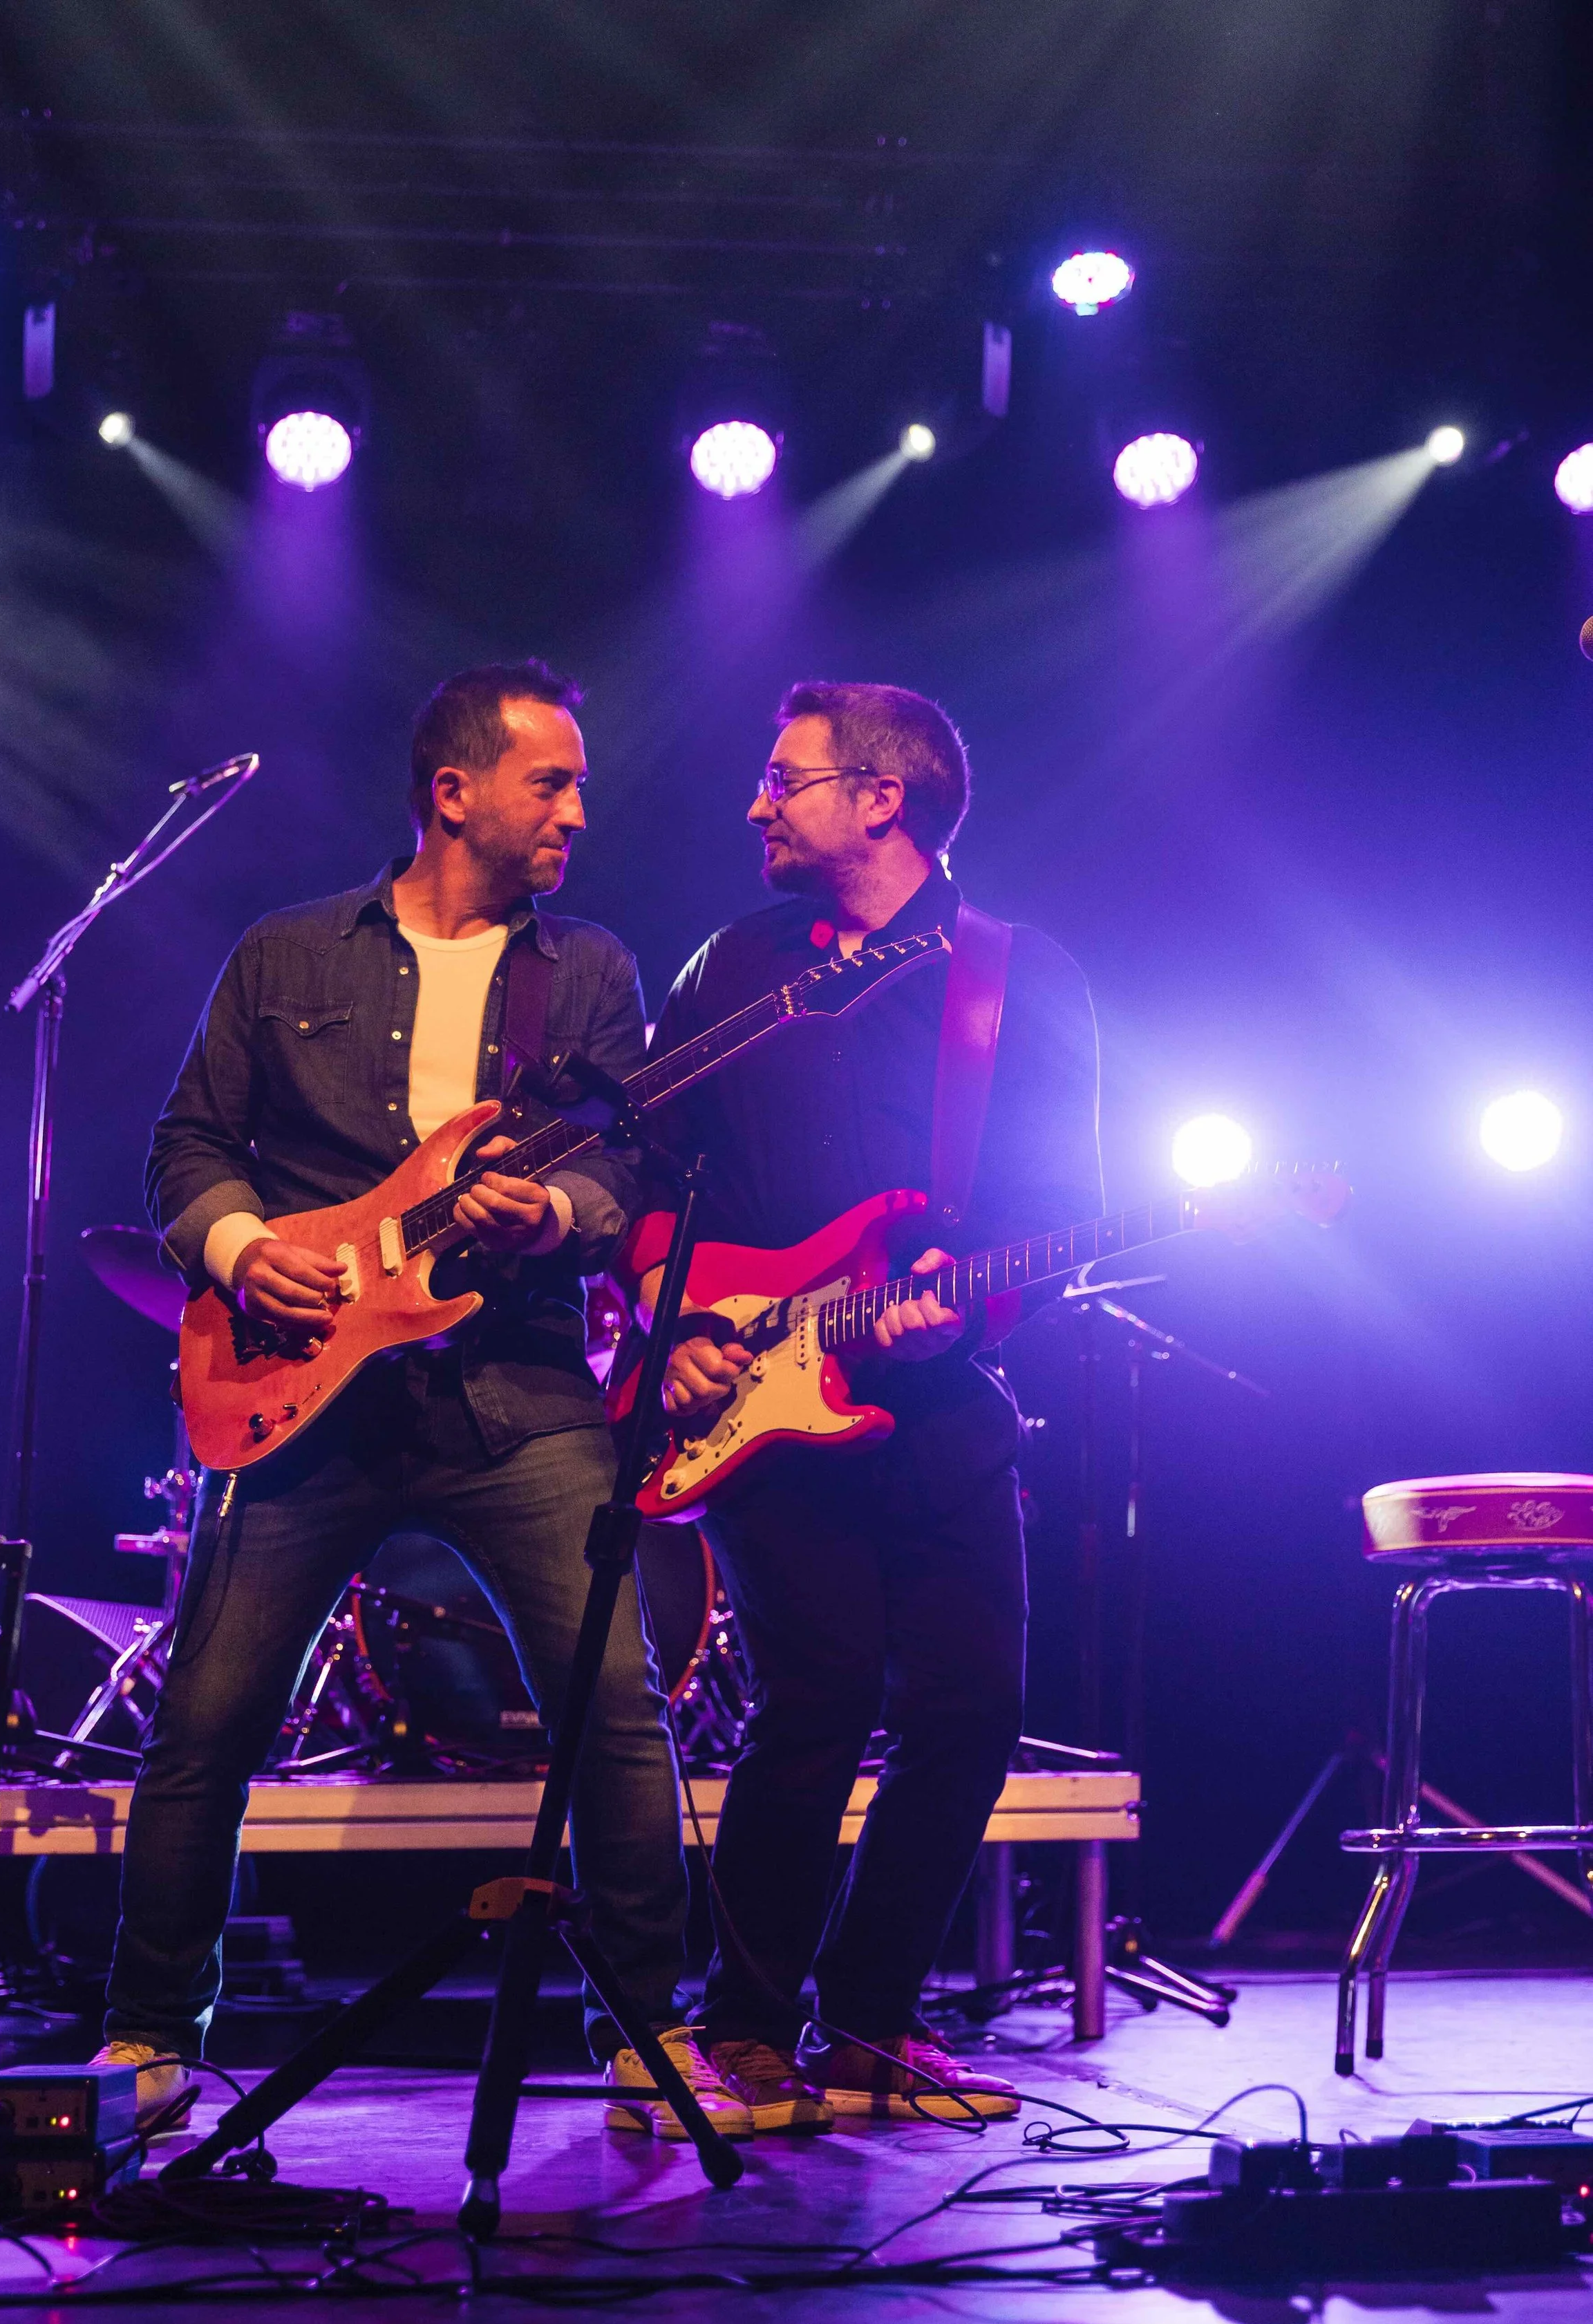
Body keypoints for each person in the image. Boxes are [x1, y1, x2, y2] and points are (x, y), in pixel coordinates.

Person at [100, 660, 753, 2142]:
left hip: (515, 1386)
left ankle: (649, 2029)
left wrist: (559, 1217)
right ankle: (145, 2038)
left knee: (615, 1708)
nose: (578, 809)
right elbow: (186, 1145)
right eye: (551, 781)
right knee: (204, 1719)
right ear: (454, 792)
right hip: (302, 1398)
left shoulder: (583, 971)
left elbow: (632, 1167)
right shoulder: (284, 956)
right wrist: (245, 1248)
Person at [637, 680, 1102, 2129]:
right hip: (760, 1400)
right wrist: (676, 1330)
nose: (755, 802)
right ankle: (749, 2027)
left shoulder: (1016, 976)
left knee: (972, 1707)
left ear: (880, 797)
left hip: (940, 1389)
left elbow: (1056, 1211)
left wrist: (968, 1293)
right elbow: (652, 1175)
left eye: (784, 777)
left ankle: (871, 2029)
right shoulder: (730, 965)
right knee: (813, 1702)